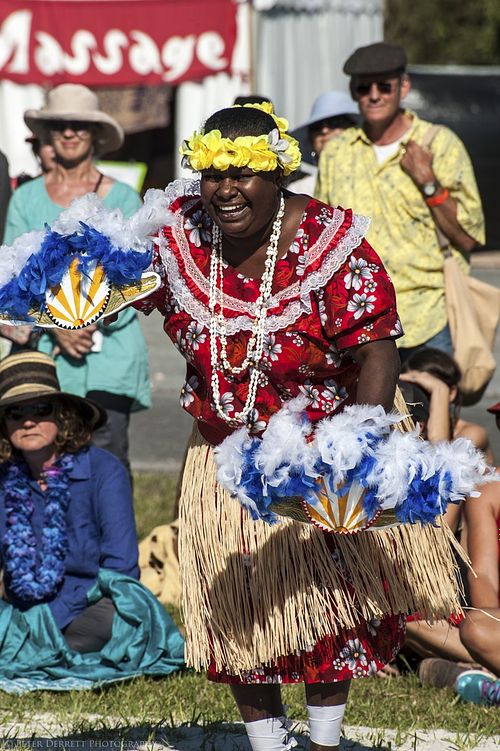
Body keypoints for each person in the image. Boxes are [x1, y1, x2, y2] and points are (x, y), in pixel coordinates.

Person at [130, 102, 464, 751]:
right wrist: (82, 287)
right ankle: (267, 741)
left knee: (324, 606)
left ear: (279, 174)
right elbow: (123, 285)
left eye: (243, 172)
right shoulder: (183, 236)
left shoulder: (329, 243)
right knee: (242, 611)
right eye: (213, 172)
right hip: (226, 458)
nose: (225, 187)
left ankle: (323, 739)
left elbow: (376, 349)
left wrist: (355, 447)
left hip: (324, 450)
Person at [0, 351, 184, 689]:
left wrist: (49, 617)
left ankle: (37, 647)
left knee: (121, 619)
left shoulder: (103, 469)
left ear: (62, 415)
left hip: (92, 603)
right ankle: (38, 646)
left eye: (41, 410)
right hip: (24, 604)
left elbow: (121, 567)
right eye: (15, 413)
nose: (28, 422)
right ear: (5, 424)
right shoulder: (4, 479)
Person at [3, 83, 150, 476]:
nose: (69, 133)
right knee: (42, 469)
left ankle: (113, 539)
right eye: (60, 125)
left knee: (107, 465)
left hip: (110, 354)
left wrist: (83, 321)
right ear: (47, 135)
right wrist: (61, 328)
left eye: (79, 126)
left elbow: (134, 279)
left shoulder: (123, 198)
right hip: (46, 355)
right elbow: (11, 279)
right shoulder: (26, 199)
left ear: (96, 135)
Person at [315, 42, 485, 362]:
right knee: (367, 414)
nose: (374, 95)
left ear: (403, 87)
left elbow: (469, 236)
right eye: (364, 87)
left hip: (428, 319)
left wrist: (429, 183)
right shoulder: (336, 153)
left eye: (385, 85)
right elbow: (320, 241)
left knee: (433, 413)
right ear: (353, 91)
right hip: (358, 322)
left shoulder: (439, 145)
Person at [288, 91, 358, 195]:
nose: (324, 130)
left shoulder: (373, 177)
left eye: (334, 123)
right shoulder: (299, 191)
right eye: (317, 127)